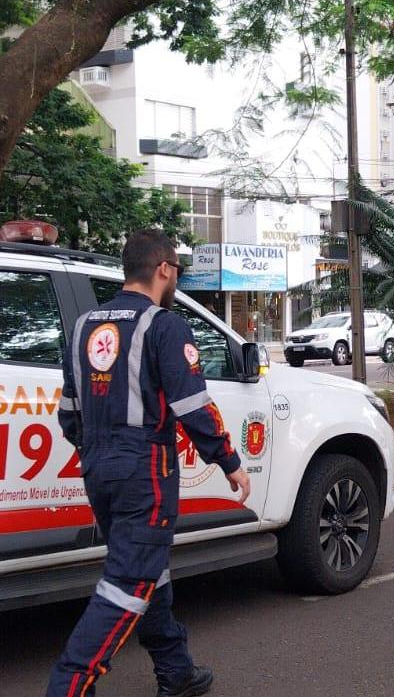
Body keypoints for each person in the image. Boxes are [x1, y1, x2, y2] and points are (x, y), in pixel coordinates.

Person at [46, 230, 251, 697]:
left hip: (99, 469)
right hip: (145, 472)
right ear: (163, 269)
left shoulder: (83, 327)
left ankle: (175, 671)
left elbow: (68, 415)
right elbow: (194, 407)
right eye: (176, 270)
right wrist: (228, 460)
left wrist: (101, 451)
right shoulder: (164, 326)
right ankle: (69, 686)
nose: (175, 278)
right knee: (126, 583)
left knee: (147, 569)